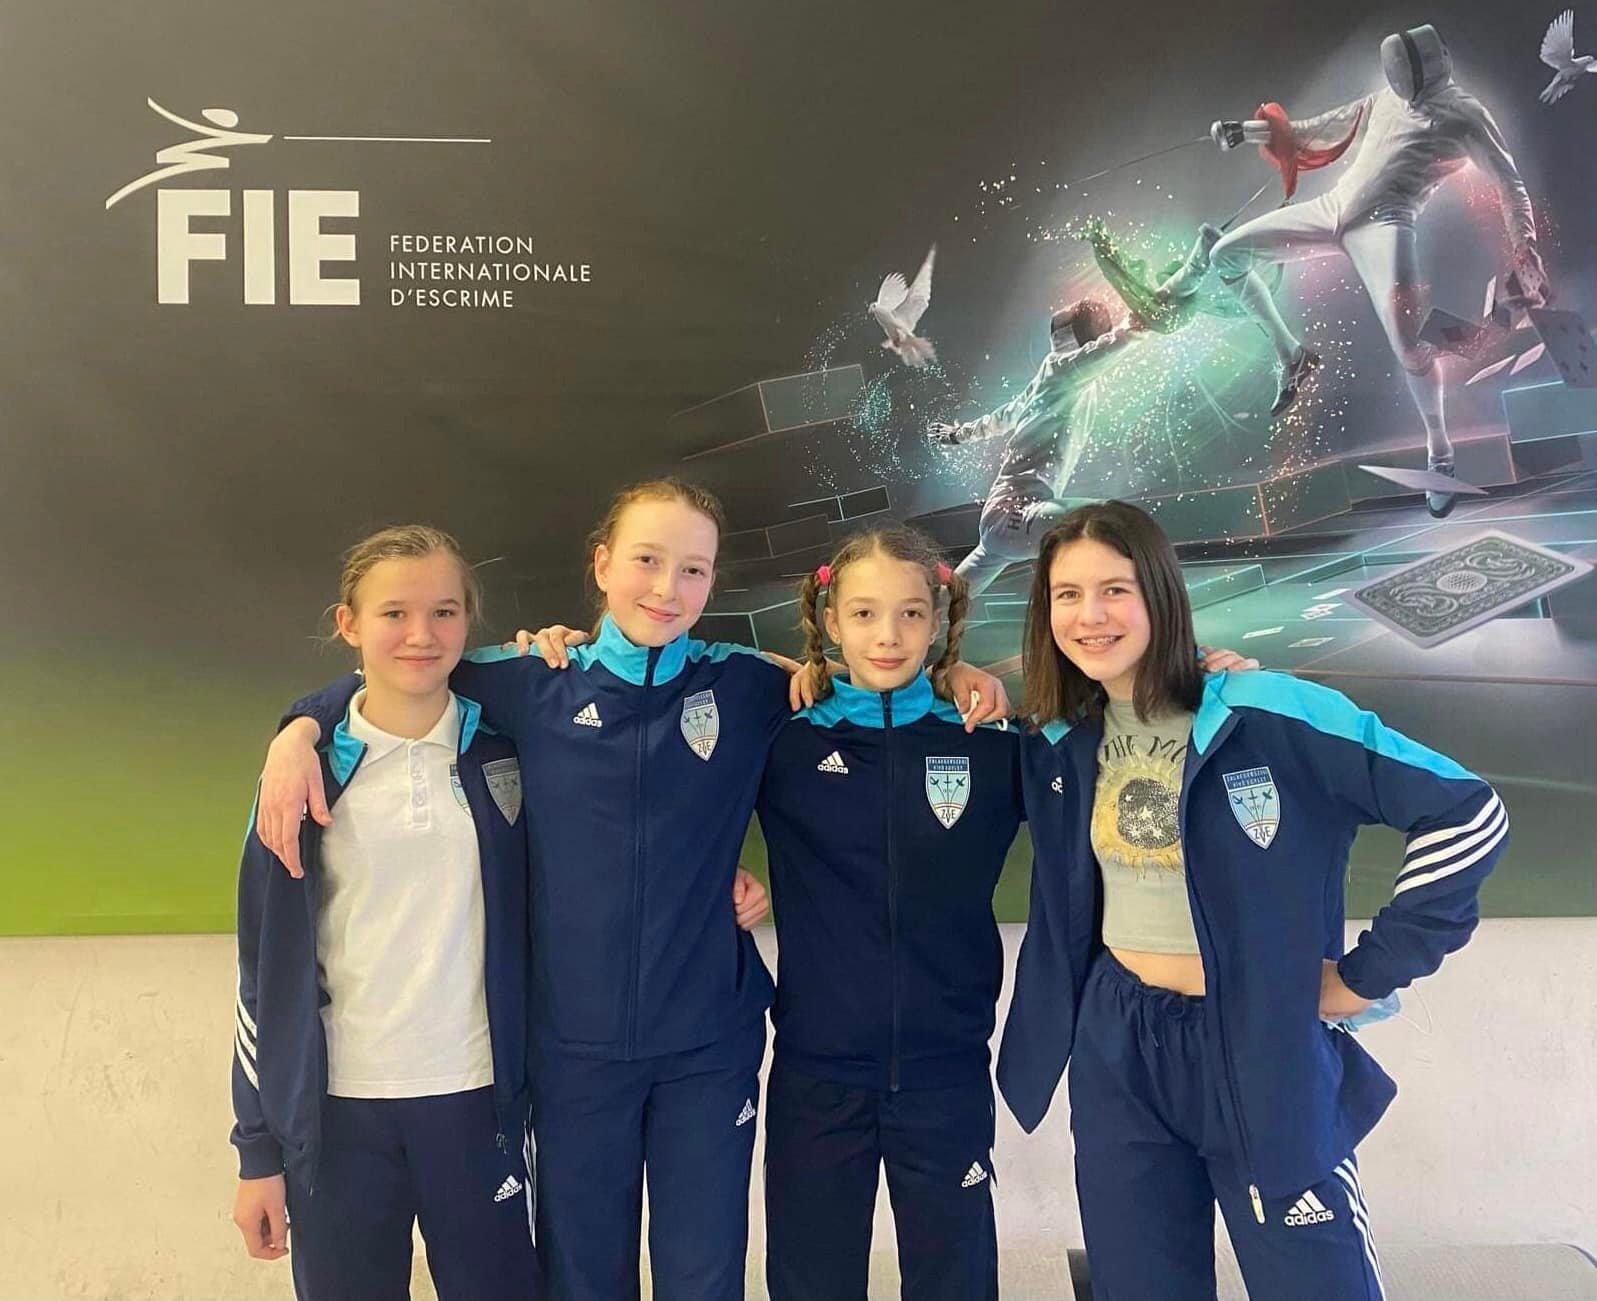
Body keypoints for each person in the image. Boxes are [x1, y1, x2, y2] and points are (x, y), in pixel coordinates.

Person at [251, 480, 1006, 1301]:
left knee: (701, 1277)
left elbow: (868, 683)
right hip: (572, 1053)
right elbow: (403, 665)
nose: (666, 587)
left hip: (707, 1049)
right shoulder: (534, 679)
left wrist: (954, 671)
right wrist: (301, 727)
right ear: (603, 564)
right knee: (583, 1277)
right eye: (646, 560)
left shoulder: (750, 684)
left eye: (692, 569)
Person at [997, 500, 1508, 1300]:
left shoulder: (1270, 711)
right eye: (1067, 594)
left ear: (1158, 593)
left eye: (1114, 589)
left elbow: (1467, 812)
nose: (1089, 615)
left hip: (1261, 1044)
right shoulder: (1054, 739)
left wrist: (1368, 973)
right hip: (1119, 1046)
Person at [229, 525, 541, 1300]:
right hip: (338, 1115)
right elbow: (261, 970)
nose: (420, 634)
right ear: (349, 623)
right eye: (393, 613)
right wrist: (257, 1150)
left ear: (468, 621)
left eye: (443, 612)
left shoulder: (508, 752)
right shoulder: (299, 776)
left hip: (478, 1098)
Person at [1191, 23, 1551, 515]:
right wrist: (1245, 131)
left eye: (1405, 71)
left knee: (1409, 345)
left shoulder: (1466, 114)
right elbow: (1314, 129)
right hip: (1330, 210)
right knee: (1225, 255)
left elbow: (1510, 185)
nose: (1399, 79)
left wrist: (1525, 246)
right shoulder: (1384, 99)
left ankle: (1441, 453)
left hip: (1387, 226)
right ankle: (1292, 355)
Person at [927, 298, 1141, 599]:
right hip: (1017, 514)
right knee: (1113, 522)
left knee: (947, 599)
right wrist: (1139, 323)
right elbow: (1109, 348)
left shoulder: (1052, 378)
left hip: (1001, 521)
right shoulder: (1061, 368)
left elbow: (1004, 415)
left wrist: (958, 435)